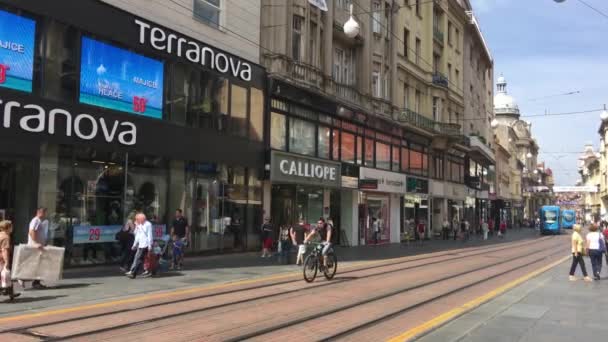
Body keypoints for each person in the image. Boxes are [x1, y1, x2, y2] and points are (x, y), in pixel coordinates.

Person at [24, 208, 47, 289]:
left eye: (44, 212)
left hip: (38, 246)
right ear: (38, 212)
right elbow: (31, 231)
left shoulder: (39, 221)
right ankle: (22, 277)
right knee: (37, 264)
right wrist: (36, 243)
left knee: (37, 264)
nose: (44, 214)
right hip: (36, 246)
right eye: (43, 212)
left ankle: (36, 282)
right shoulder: (36, 220)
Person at [126, 213, 153, 279]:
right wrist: (134, 245)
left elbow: (150, 235)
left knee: (139, 259)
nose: (136, 220)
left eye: (137, 219)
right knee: (139, 258)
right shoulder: (139, 224)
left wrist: (149, 246)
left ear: (141, 219)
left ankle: (133, 273)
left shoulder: (148, 224)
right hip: (140, 244)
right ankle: (149, 270)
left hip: (145, 244)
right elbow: (137, 235)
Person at [0, 221, 19, 300]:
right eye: (11, 226)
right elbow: (5, 250)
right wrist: (6, 261)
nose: (12, 228)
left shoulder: (0, 234)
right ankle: (8, 292)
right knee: (5, 275)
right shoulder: (6, 237)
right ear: (8, 227)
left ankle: (11, 293)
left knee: (6, 276)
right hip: (1, 259)